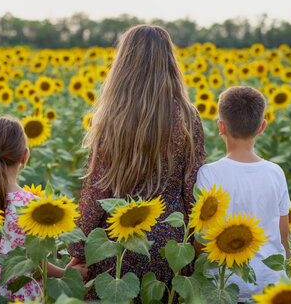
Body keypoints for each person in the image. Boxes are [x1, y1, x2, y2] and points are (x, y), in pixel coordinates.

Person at [67, 25, 206, 302]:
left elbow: (96, 190)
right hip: (171, 241)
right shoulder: (187, 116)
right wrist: (197, 246)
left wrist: (80, 251)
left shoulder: (112, 117)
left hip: (118, 241)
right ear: (169, 62)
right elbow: (192, 187)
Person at [0, 116, 86, 304]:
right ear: (25, 156)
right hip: (22, 294)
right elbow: (36, 264)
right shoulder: (32, 206)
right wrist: (66, 273)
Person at [196, 86, 291, 302]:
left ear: (221, 127)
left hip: (224, 283)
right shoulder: (276, 173)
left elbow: (201, 237)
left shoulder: (208, 174)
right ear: (262, 127)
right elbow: (284, 235)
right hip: (271, 283)